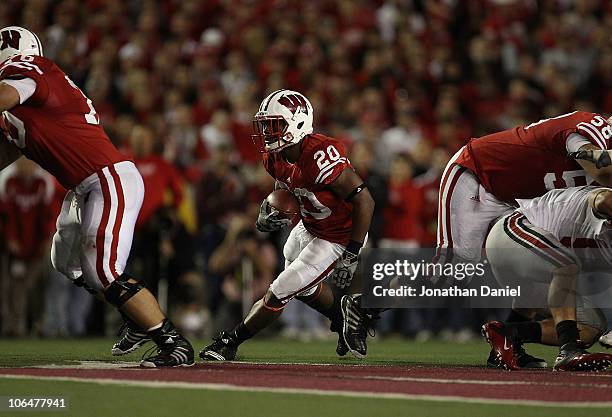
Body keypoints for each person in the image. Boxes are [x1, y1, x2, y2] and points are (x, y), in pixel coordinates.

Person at [0, 26, 193, 367]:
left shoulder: (28, 68)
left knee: (102, 270)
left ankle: (173, 342)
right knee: (66, 262)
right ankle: (135, 316)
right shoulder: (23, 106)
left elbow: (7, 94)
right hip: (83, 187)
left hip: (106, 178)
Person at [199, 89, 375, 360]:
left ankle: (230, 342)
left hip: (337, 236)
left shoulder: (319, 154)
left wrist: (351, 252)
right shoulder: (275, 156)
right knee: (301, 287)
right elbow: (284, 189)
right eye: (265, 125)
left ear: (299, 123)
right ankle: (344, 320)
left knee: (281, 289)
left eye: (275, 125)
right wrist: (269, 210)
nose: (268, 132)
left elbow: (365, 201)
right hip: (309, 226)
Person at [483, 186, 612, 371]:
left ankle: (508, 336)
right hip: (511, 233)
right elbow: (604, 199)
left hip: (535, 263)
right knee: (565, 265)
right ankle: (569, 352)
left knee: (591, 326)